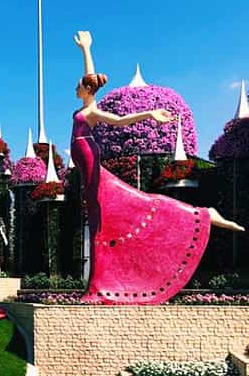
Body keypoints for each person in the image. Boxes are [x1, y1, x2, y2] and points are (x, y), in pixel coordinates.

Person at [71, 31, 244, 304]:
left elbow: (120, 120)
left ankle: (199, 216)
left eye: (80, 87)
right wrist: (86, 50)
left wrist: (148, 113)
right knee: (105, 219)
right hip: (87, 170)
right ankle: (98, 285)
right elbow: (91, 79)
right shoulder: (87, 104)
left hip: (92, 168)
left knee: (108, 219)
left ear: (86, 90)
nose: (77, 89)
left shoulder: (92, 111)